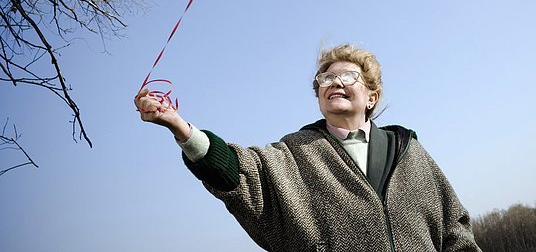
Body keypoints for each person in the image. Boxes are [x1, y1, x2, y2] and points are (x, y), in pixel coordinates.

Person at [135, 44, 481, 251]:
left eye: (348, 76)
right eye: (325, 79)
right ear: (318, 96)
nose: (334, 82)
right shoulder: (295, 154)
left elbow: (456, 230)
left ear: (372, 97)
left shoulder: (409, 150)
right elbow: (235, 172)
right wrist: (180, 127)